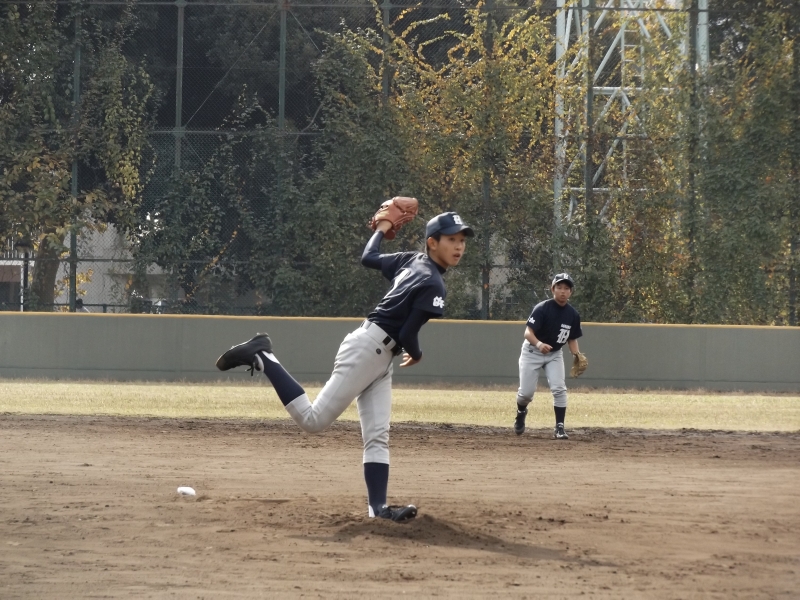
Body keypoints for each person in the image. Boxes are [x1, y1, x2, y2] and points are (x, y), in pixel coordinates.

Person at [215, 211, 473, 522]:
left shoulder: (411, 260)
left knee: (377, 436)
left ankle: (378, 510)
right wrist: (417, 354)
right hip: (369, 351)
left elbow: (369, 257)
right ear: (432, 243)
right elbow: (407, 334)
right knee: (313, 421)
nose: (459, 246)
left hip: (377, 354)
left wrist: (382, 228)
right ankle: (264, 356)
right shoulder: (433, 283)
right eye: (451, 239)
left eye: (462, 240)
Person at [513, 273, 583, 439]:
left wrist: (577, 355)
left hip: (554, 354)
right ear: (553, 289)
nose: (563, 291)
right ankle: (521, 411)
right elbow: (528, 333)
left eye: (566, 288)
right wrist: (539, 344)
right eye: (559, 287)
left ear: (571, 292)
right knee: (526, 394)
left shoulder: (573, 314)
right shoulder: (542, 308)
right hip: (532, 351)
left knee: (559, 389)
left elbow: (572, 338)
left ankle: (560, 427)